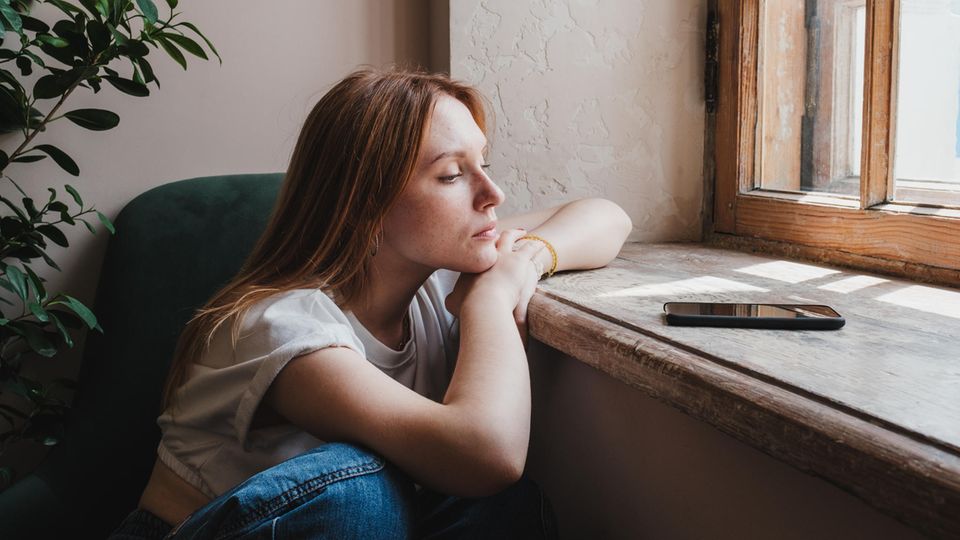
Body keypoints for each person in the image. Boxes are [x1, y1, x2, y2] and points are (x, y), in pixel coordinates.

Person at [109, 67, 632, 539]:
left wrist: (530, 259)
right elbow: (486, 453)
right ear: (365, 202)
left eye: (484, 163)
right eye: (452, 175)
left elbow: (605, 216)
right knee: (358, 493)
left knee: (502, 510)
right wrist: (492, 300)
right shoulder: (282, 328)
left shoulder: (434, 270)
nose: (492, 192)